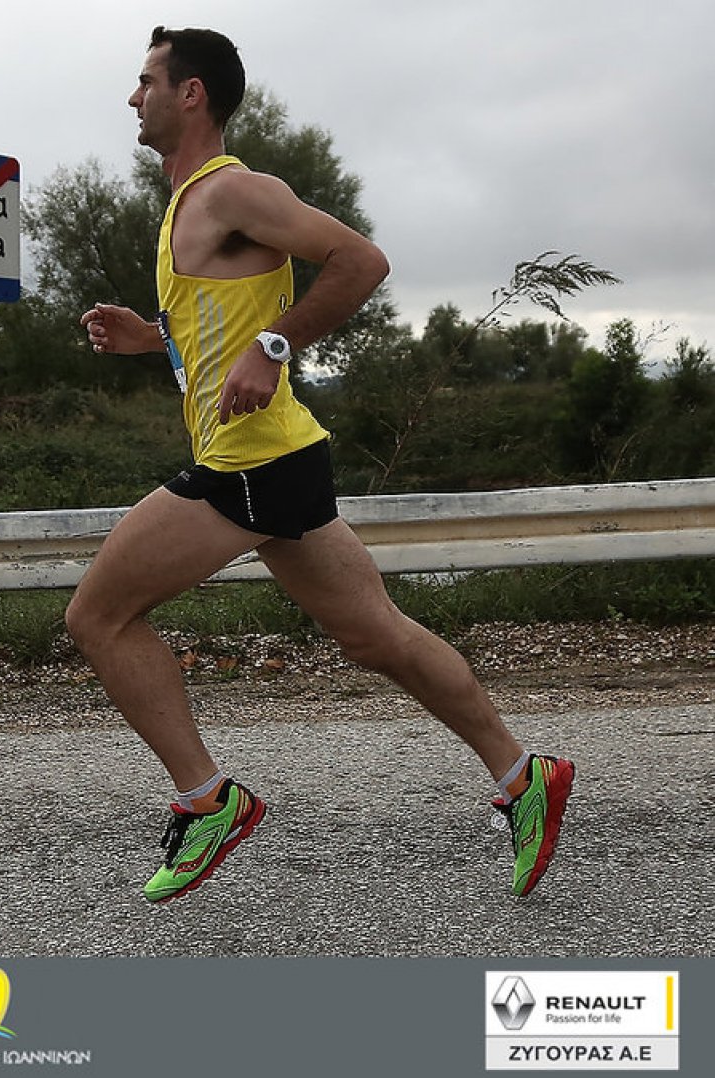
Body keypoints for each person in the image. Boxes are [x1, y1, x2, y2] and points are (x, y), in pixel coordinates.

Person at [71, 26, 574, 905]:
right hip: (280, 456)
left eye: (147, 80)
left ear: (192, 93)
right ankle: (522, 774)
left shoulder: (234, 190)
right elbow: (218, 330)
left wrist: (275, 346)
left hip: (250, 463)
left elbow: (361, 261)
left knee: (98, 617)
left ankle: (208, 801)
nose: (132, 97)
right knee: (376, 635)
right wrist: (150, 337)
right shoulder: (188, 205)